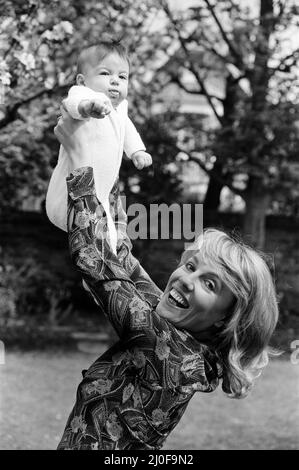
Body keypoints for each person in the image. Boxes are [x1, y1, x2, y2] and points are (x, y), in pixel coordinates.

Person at [54, 110, 279, 450]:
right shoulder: (181, 340)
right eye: (191, 266)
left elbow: (94, 259)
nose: (186, 280)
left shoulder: (170, 355)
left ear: (227, 318)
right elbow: (123, 260)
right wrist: (107, 161)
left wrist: (82, 160)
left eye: (210, 284)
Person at [46, 40, 152, 254]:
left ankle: (97, 275)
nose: (115, 81)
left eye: (122, 77)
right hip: (68, 196)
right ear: (82, 81)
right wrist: (87, 107)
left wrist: (137, 151)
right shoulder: (85, 94)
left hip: (98, 197)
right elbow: (71, 105)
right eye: (105, 73)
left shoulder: (120, 109)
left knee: (109, 240)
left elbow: (128, 130)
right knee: (101, 235)